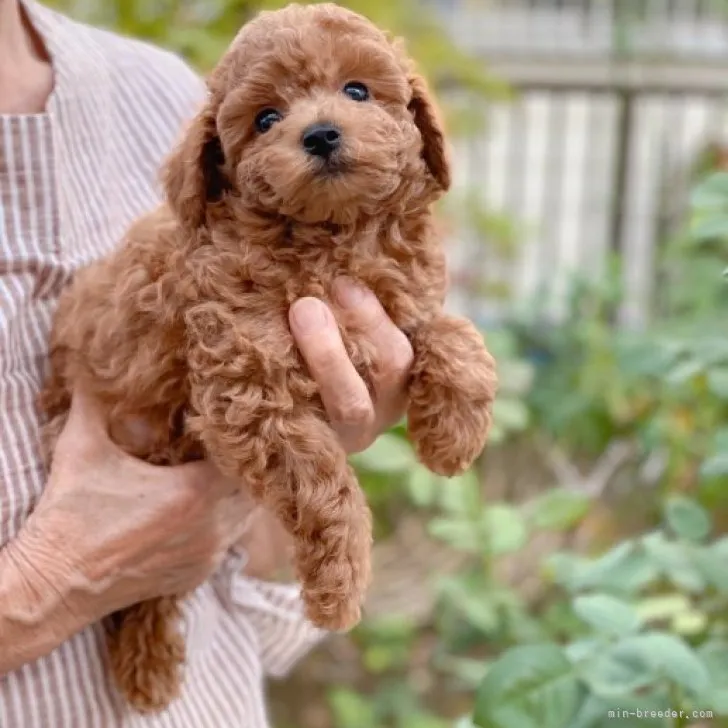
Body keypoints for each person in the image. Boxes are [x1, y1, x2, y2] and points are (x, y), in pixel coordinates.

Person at [0, 0, 414, 725]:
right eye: (265, 120)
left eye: (355, 92)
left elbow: (241, 535)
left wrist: (304, 445)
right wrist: (54, 581)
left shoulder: (156, 89)